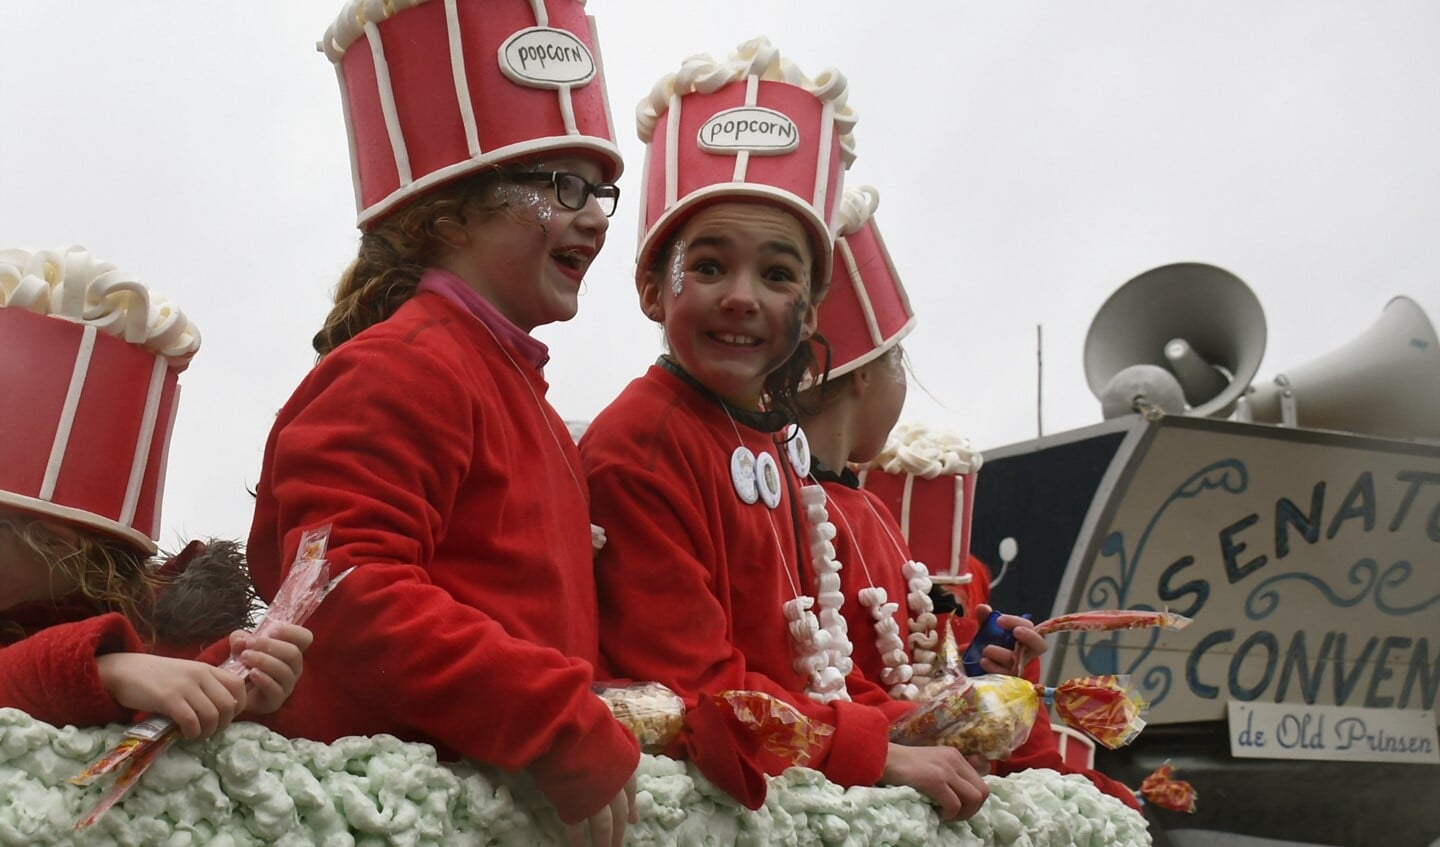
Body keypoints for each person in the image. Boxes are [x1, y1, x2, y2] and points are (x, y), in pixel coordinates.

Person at [245, 3, 638, 845]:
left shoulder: (518, 390)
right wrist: (557, 720)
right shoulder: (404, 364)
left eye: (599, 187)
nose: (598, 216)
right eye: (559, 185)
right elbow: (344, 589)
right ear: (448, 215)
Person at [581, 39, 990, 822]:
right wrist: (880, 750)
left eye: (777, 274)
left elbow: (813, 680)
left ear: (809, 308)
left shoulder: (761, 441)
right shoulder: (641, 442)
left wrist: (927, 726)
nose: (743, 297)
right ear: (650, 287)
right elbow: (699, 687)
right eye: (707, 266)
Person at [795, 189, 1143, 809]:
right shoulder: (798, 505)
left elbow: (908, 667)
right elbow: (841, 688)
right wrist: (960, 703)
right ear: (872, 371)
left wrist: (981, 673)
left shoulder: (860, 506)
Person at [0, 246, 310, 740]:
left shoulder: (175, 640)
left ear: (57, 542)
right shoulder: (130, 655)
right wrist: (103, 670)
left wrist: (244, 696)